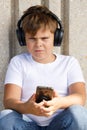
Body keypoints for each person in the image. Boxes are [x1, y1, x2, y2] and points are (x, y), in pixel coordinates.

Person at [0, 5, 87, 130]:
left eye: (45, 38)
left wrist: (58, 104)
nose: (38, 44)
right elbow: (9, 101)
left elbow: (80, 98)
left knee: (79, 113)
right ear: (23, 39)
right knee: (5, 117)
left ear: (56, 38)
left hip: (60, 124)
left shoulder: (69, 63)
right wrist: (28, 107)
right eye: (32, 39)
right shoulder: (18, 62)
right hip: (28, 125)